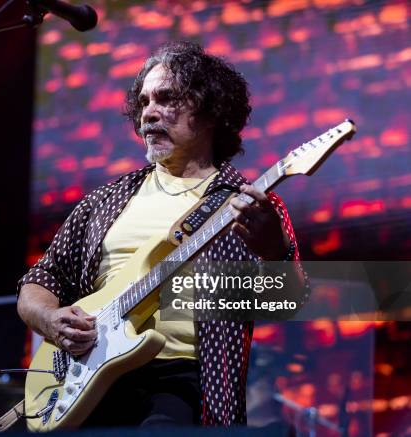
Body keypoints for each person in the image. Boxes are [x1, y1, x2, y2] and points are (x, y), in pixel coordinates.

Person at [16, 41, 309, 427]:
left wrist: (273, 250)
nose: (148, 114)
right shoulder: (106, 200)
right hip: (86, 377)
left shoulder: (247, 207)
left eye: (165, 99)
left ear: (210, 111)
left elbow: (290, 302)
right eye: (144, 102)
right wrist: (50, 320)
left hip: (182, 382)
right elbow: (41, 280)